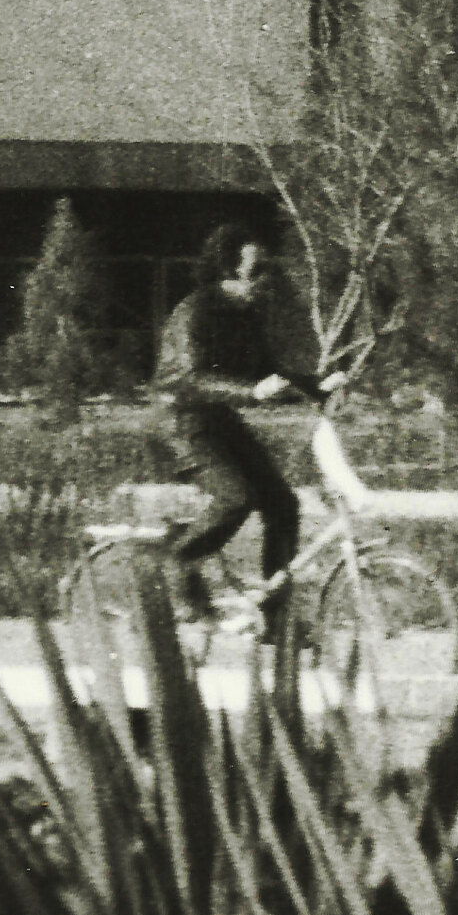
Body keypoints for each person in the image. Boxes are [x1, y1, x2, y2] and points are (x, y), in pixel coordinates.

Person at [153, 217, 321, 634]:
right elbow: (190, 378)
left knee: (283, 504)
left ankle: (276, 618)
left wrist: (317, 385)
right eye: (256, 271)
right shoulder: (194, 312)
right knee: (236, 497)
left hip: (218, 418)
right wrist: (251, 392)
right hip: (181, 422)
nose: (265, 281)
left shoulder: (245, 315)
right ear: (226, 271)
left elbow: (267, 372)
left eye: (267, 270)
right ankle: (177, 561)